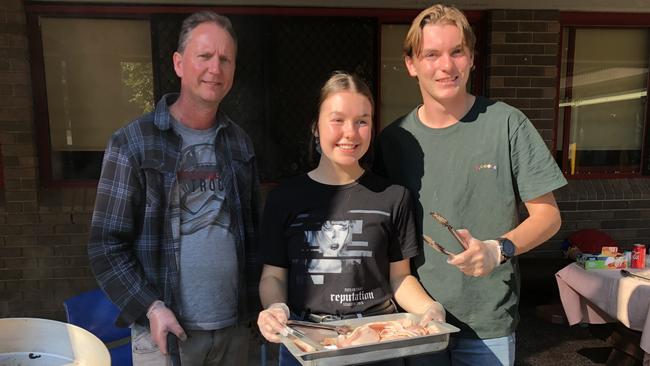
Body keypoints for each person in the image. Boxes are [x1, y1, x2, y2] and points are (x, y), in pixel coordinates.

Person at [375, 4, 567, 366]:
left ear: (472, 58)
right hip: (421, 323)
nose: (446, 66)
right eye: (431, 54)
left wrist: (499, 249)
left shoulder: (507, 124)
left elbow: (548, 217)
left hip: (488, 324)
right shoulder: (394, 141)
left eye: (456, 51)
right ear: (411, 64)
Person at [87, 11, 260, 365]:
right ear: (179, 64)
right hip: (165, 332)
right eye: (205, 56)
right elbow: (106, 246)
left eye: (225, 59)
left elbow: (255, 238)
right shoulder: (133, 143)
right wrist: (150, 307)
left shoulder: (240, 145)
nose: (216, 67)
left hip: (235, 332)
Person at [256, 71, 446, 366]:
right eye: (337, 119)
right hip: (307, 341)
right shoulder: (285, 198)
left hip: (379, 340)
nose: (351, 132)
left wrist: (429, 308)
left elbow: (400, 277)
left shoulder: (393, 196)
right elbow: (273, 275)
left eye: (362, 121)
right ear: (315, 127)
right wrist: (275, 307)